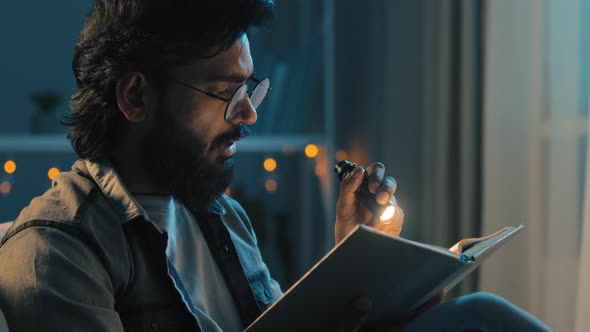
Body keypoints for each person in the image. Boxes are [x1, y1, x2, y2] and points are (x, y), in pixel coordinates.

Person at [0, 1, 550, 331]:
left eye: (251, 89)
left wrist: (357, 267)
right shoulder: (55, 251)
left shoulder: (223, 219)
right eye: (224, 91)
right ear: (137, 98)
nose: (248, 114)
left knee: (478, 316)